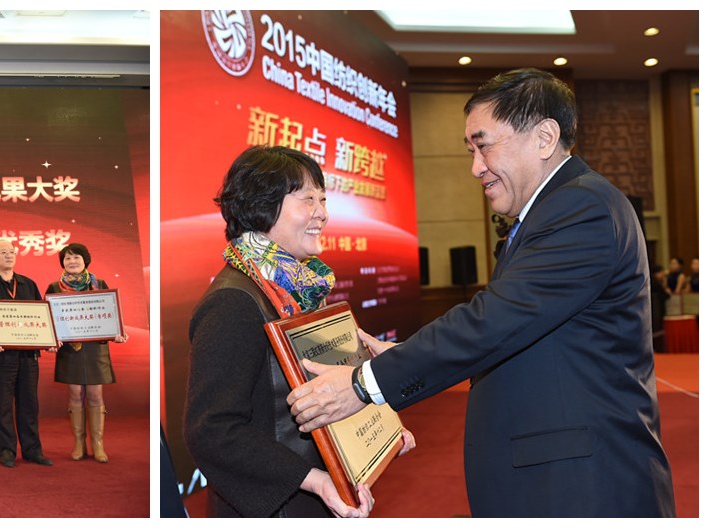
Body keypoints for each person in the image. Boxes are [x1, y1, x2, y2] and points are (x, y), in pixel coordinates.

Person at [287, 68, 675, 517]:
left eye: (484, 145)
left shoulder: (581, 207)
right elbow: (525, 334)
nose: (475, 168)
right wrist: (403, 355)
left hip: (584, 489)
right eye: (470, 150)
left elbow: (495, 320)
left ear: (544, 138)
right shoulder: (558, 209)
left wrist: (363, 384)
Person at [183, 145, 378, 518]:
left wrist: (380, 433)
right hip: (278, 505)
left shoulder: (300, 291)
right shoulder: (233, 301)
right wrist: (313, 479)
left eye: (323, 200)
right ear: (262, 206)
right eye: (308, 199)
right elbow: (212, 430)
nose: (322, 213)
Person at [0, 239, 54, 468]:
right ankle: (6, 449)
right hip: (0, 354)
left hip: (28, 355)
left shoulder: (28, 283)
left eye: (12, 252)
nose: (9, 255)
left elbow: (40, 315)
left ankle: (32, 449)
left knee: (29, 403)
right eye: (3, 252)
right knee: (2, 404)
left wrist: (48, 339)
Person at [44, 243, 126, 463]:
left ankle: (98, 443)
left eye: (76, 257)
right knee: (75, 394)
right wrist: (50, 338)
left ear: (85, 260)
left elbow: (110, 315)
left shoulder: (99, 285)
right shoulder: (54, 288)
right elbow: (48, 319)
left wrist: (117, 332)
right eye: (67, 258)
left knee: (95, 394)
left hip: (95, 348)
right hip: (69, 348)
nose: (72, 262)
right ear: (62, 262)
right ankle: (79, 443)